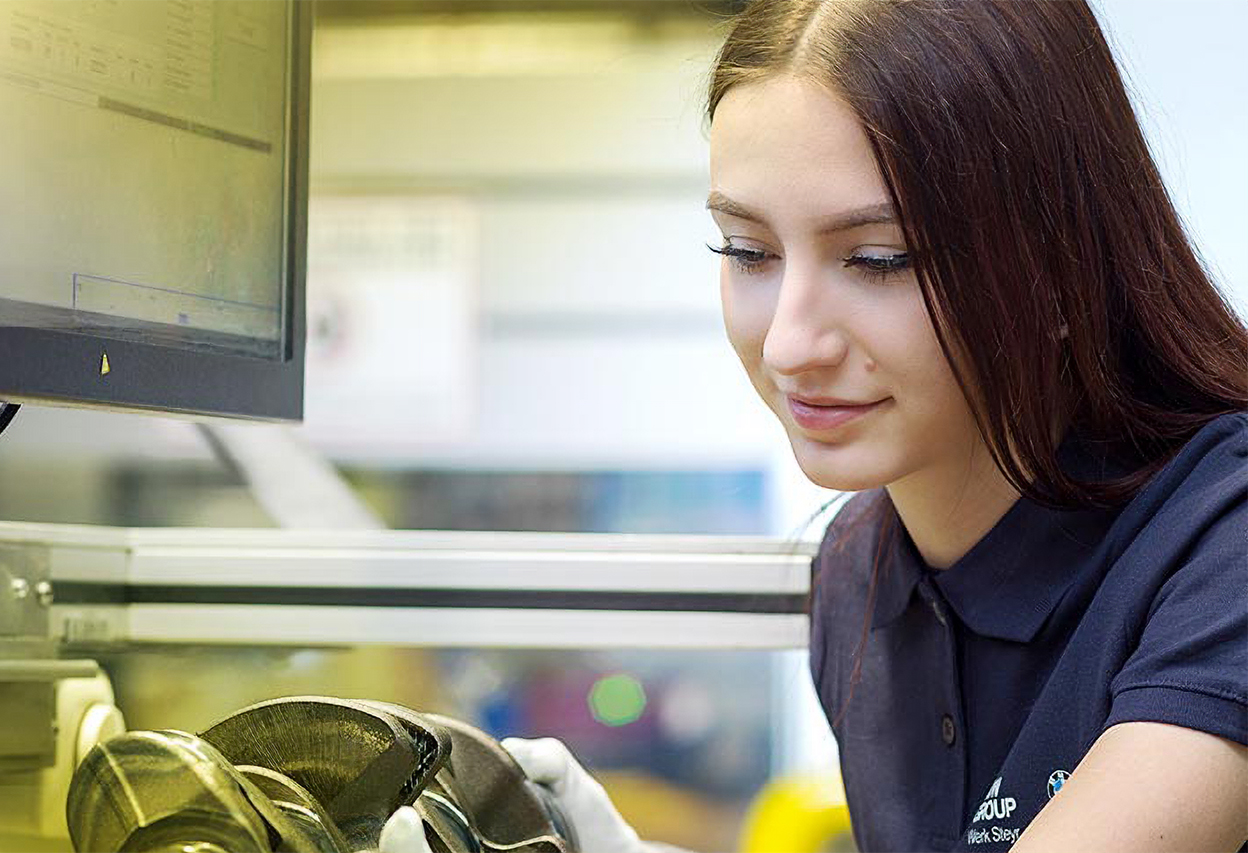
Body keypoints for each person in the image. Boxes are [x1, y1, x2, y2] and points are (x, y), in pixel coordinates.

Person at [380, 0, 1248, 850]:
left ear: (1063, 265)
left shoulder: (1222, 543)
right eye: (746, 251)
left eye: (879, 260)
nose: (791, 344)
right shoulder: (858, 570)